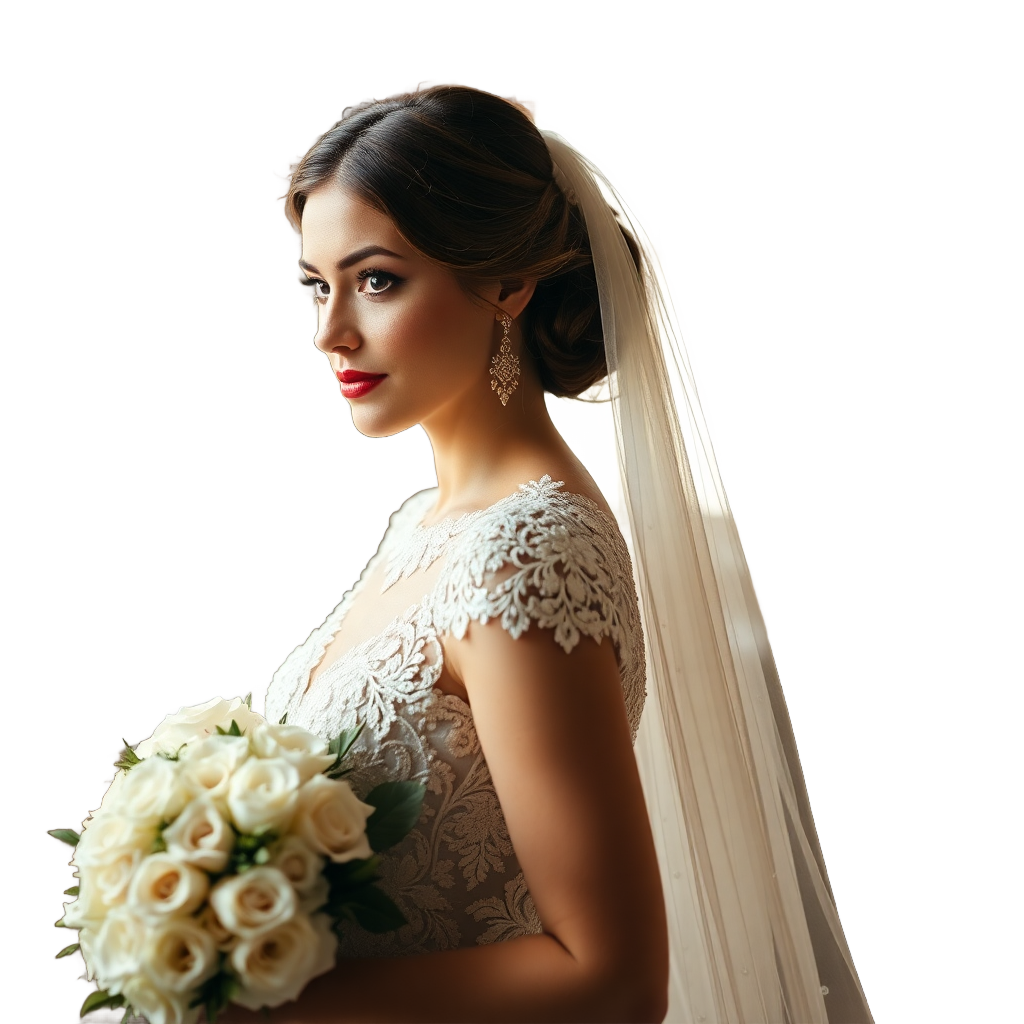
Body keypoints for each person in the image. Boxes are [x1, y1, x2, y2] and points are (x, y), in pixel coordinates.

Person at [242, 86, 873, 1024]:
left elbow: (612, 981)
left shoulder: (523, 555)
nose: (330, 331)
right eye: (317, 284)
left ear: (507, 283)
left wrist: (274, 1003)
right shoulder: (421, 522)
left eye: (375, 281)